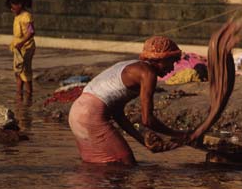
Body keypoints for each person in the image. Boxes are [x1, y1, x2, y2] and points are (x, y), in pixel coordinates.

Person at [68, 36, 189, 166]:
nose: (172, 68)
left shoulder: (131, 66)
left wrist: (143, 142)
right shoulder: (148, 74)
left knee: (99, 166)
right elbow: (147, 120)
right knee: (125, 165)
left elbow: (118, 115)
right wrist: (179, 134)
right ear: (160, 59)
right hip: (91, 114)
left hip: (77, 113)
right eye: (171, 61)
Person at [5, 0, 36, 99]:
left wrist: (22, 43)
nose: (11, 9)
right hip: (18, 48)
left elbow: (31, 32)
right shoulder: (17, 16)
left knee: (25, 72)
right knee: (18, 72)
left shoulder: (26, 16)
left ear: (20, 4)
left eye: (13, 6)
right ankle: (19, 95)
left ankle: (29, 95)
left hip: (26, 48)